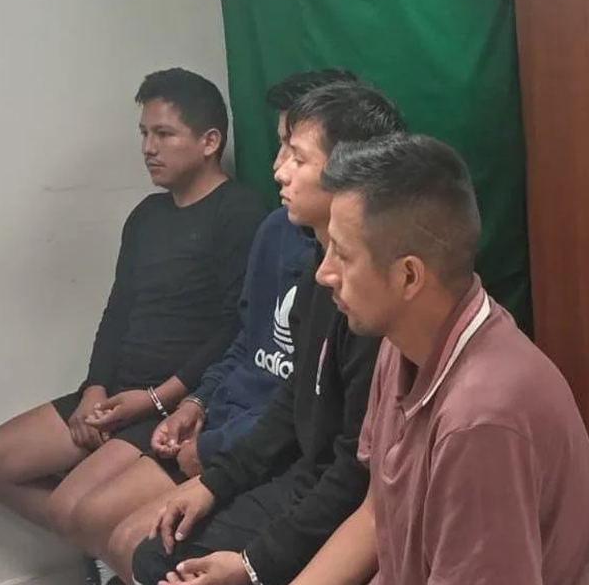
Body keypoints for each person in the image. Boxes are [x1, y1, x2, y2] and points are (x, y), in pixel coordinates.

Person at [63, 68, 360, 584]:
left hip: (269, 452)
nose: (277, 170)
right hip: (223, 420)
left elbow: (336, 451)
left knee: (136, 542)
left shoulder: (345, 280)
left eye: (295, 154)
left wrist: (189, 428)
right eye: (280, 148)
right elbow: (248, 340)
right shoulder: (279, 234)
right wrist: (194, 404)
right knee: (92, 521)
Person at [285, 133, 589, 585]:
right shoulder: (402, 341)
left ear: (408, 276)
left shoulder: (480, 421)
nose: (324, 272)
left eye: (344, 254)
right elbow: (376, 516)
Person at [0, 68, 267, 535]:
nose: (148, 148)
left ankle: (106, 543)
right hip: (118, 391)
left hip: (174, 402)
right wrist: (94, 389)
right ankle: (99, 544)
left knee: (71, 507)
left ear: (209, 142)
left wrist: (155, 399)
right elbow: (118, 311)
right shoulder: (147, 215)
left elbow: (236, 330)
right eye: (144, 133)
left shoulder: (240, 212)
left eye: (164, 134)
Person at [131, 82, 406, 585]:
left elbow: (355, 474)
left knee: (168, 565)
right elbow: (295, 397)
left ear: (351, 173)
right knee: (154, 554)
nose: (278, 171)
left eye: (297, 157)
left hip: (336, 495)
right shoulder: (317, 271)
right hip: (307, 476)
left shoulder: (375, 304)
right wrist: (215, 482)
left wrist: (254, 565)